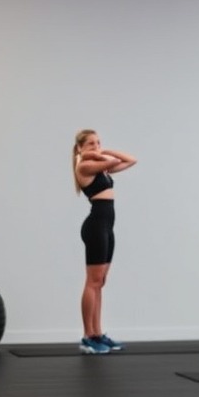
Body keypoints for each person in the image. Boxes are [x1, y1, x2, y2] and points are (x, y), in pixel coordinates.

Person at [72, 129, 137, 355]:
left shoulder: (101, 165)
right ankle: (88, 336)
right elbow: (114, 160)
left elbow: (131, 160)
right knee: (92, 281)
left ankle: (98, 333)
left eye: (98, 142)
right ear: (79, 148)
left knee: (100, 282)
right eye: (90, 144)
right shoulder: (84, 166)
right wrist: (101, 154)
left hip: (107, 227)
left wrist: (103, 151)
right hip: (96, 226)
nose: (96, 146)